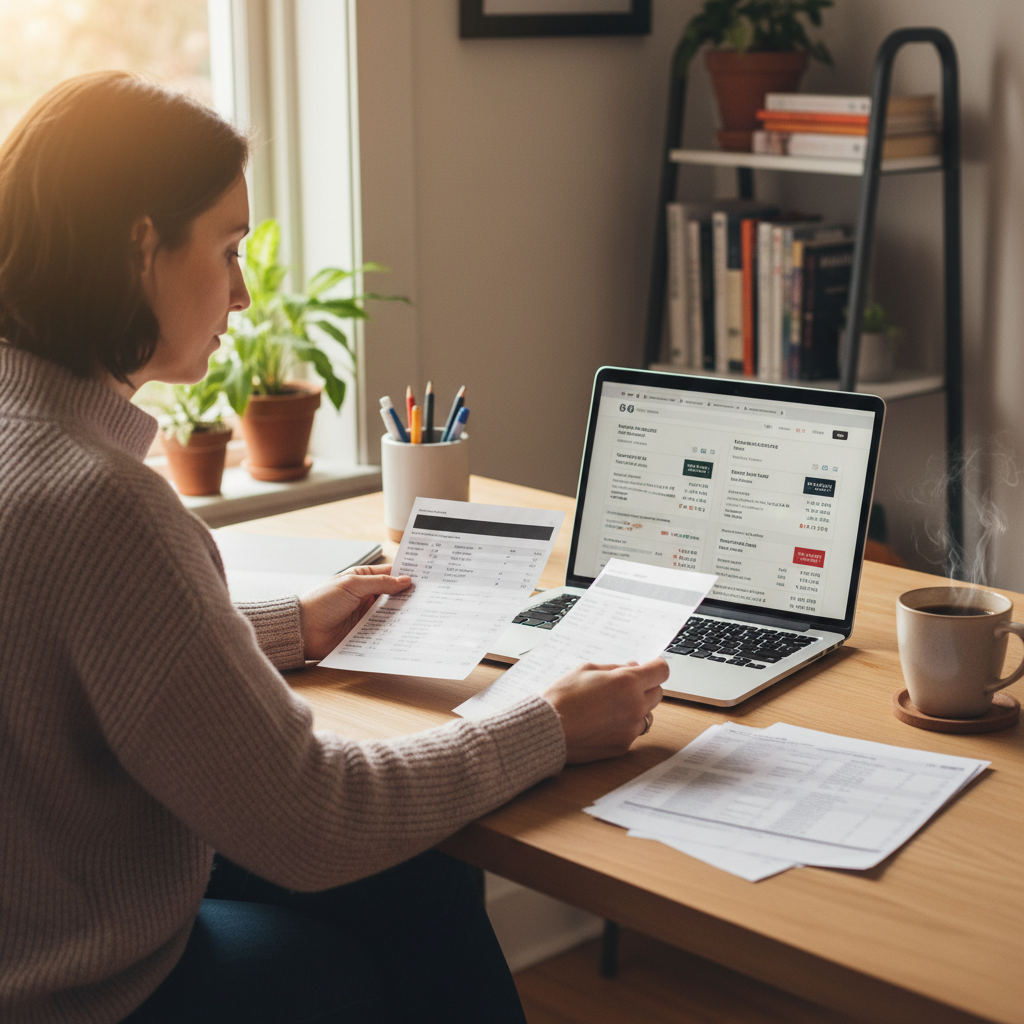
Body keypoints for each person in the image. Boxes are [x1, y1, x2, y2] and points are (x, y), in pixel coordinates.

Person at [0, 71, 667, 1024]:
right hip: (78, 990)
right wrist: (549, 723)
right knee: (369, 931)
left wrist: (292, 627)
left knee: (417, 887)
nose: (238, 293)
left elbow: (59, 643)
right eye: (228, 249)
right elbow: (318, 821)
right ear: (140, 245)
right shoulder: (104, 503)